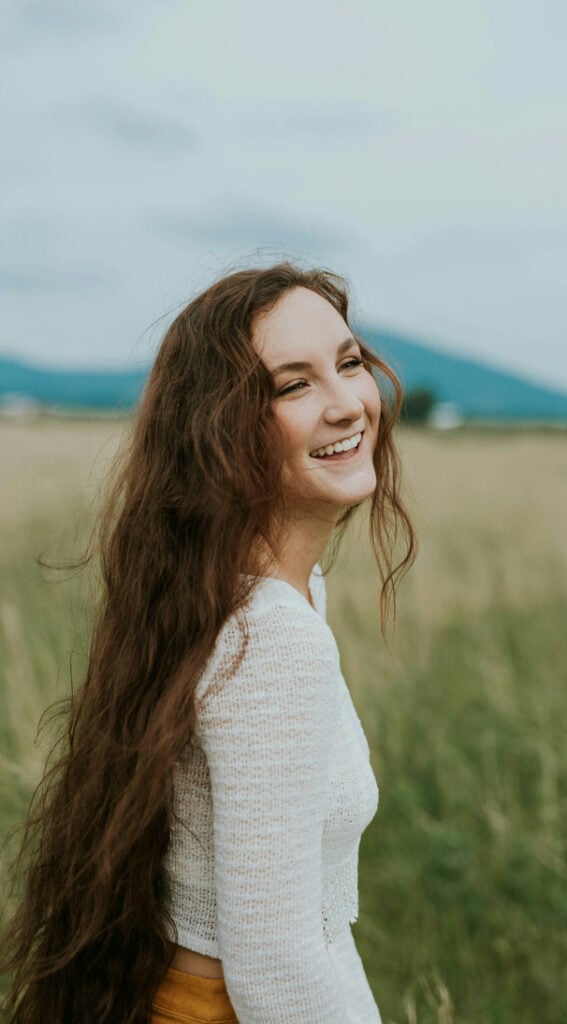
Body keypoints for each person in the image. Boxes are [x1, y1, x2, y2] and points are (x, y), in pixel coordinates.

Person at [0, 261, 417, 1023]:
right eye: (293, 386)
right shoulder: (274, 638)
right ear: (221, 429)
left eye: (348, 363)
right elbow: (278, 969)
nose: (345, 404)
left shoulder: (234, 595)